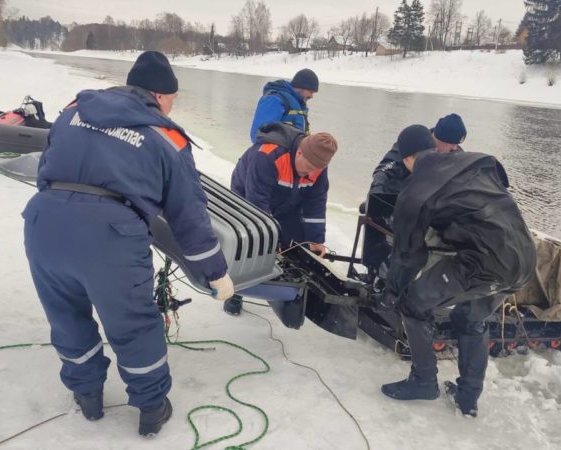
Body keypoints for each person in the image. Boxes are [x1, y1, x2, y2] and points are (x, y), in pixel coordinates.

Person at [23, 51, 234, 437]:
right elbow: (189, 216)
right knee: (133, 324)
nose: (172, 107)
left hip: (43, 222)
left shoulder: (74, 110)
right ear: (159, 94)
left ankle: (87, 395)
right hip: (109, 237)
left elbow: (46, 166)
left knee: (66, 315)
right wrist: (215, 273)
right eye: (172, 98)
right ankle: (152, 406)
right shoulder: (166, 137)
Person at [377, 125, 536, 417]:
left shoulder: (415, 191)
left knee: (412, 304)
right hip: (525, 258)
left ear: (407, 158)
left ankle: (424, 382)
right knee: (470, 317)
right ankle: (467, 398)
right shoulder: (475, 160)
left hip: (484, 263)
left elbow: (408, 256)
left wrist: (391, 291)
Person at [226, 123, 338, 315]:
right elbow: (257, 205)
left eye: (316, 170)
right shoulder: (268, 155)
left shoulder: (318, 167)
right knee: (250, 242)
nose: (310, 174)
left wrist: (316, 240)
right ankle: (235, 291)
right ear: (300, 153)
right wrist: (272, 240)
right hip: (247, 196)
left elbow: (316, 204)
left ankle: (287, 287)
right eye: (309, 168)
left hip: (288, 201)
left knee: (297, 243)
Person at [363, 114, 468, 280]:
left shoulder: (455, 155)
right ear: (437, 138)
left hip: (426, 205)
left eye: (458, 144)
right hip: (398, 195)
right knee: (369, 208)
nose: (455, 148)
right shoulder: (413, 140)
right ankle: (374, 266)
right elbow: (385, 167)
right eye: (452, 143)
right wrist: (378, 189)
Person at [249, 68, 319, 143]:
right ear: (301, 87)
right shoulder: (275, 99)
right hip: (276, 154)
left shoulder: (299, 105)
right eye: (311, 92)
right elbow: (259, 135)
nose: (312, 96)